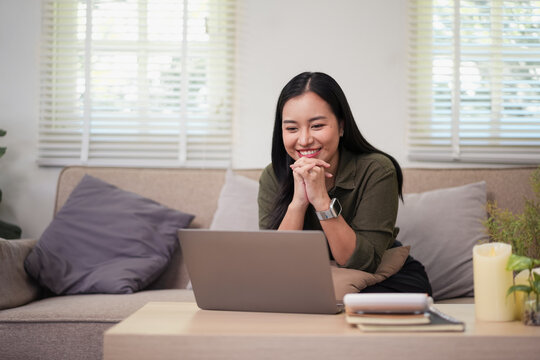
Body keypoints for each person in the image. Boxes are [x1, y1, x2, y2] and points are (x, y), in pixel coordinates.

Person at [258, 71, 432, 295]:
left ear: (341, 126)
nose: (304, 140)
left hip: (381, 279)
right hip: (315, 280)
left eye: (317, 125)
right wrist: (298, 203)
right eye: (292, 128)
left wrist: (321, 200)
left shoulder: (377, 169)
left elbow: (360, 262)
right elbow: (275, 263)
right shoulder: (273, 176)